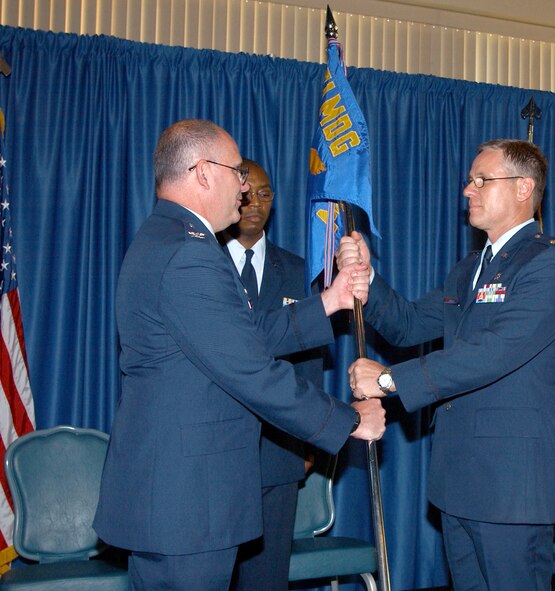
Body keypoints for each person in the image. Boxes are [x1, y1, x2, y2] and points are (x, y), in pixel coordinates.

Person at [93, 119, 385, 591]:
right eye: (237, 172)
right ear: (204, 173)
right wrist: (348, 422)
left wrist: (327, 303)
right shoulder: (190, 254)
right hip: (188, 502)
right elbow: (250, 370)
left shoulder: (165, 239)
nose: (245, 187)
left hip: (176, 497)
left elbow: (238, 337)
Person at [341, 139, 555, 591]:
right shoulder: (469, 269)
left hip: (511, 485)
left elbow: (495, 351)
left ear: (524, 187)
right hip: (459, 479)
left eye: (481, 180)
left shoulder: (549, 263)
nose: (467, 190)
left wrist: (391, 380)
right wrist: (368, 279)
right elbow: (410, 324)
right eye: (470, 180)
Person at [218, 158, 321, 591]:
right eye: (246, 195)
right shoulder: (201, 265)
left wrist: (311, 433)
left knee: (266, 579)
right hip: (216, 452)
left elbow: (309, 360)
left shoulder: (298, 271)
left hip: (277, 451)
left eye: (265, 194)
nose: (254, 204)